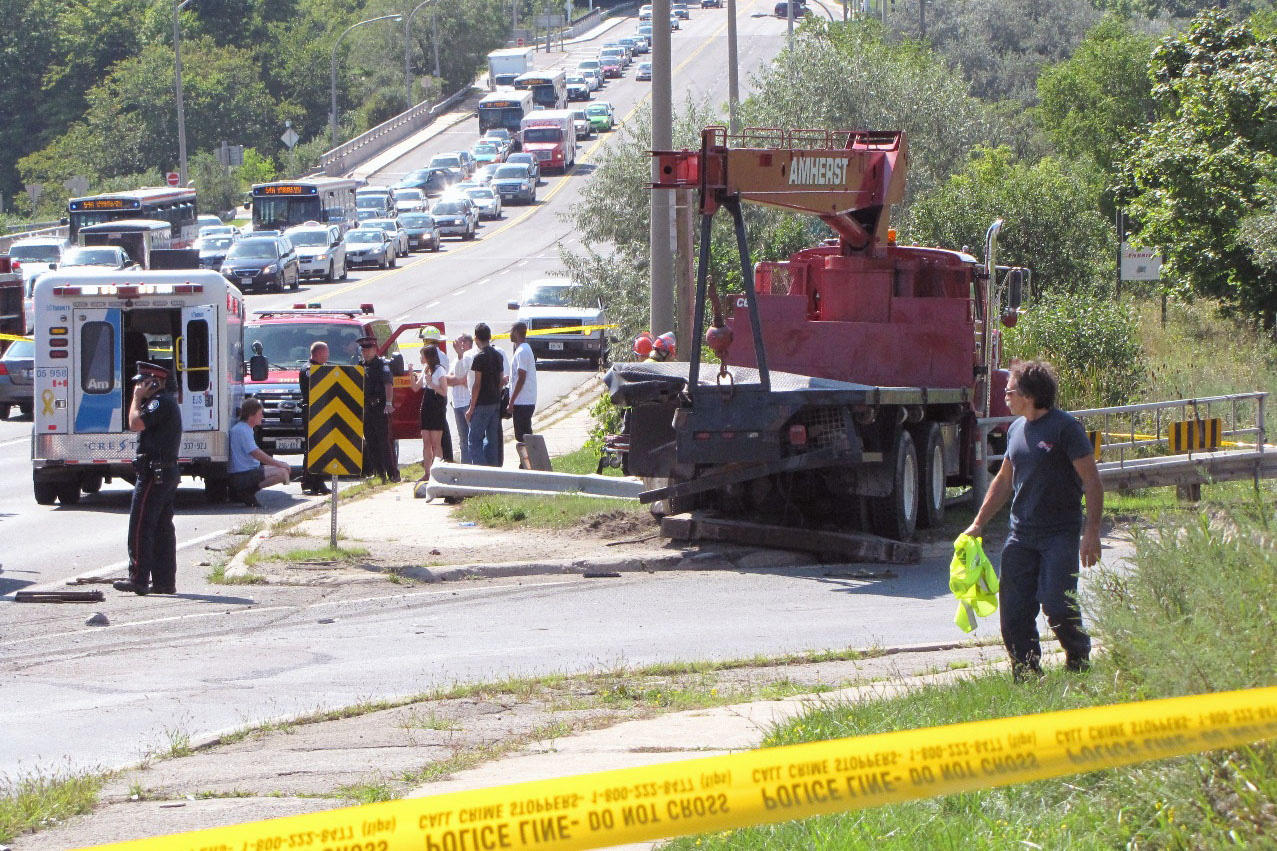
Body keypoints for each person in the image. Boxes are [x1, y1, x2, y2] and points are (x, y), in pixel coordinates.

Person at [963, 360, 1104, 680]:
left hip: (1059, 534)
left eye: (1010, 390)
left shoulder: (1065, 428)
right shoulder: (1015, 430)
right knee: (1013, 611)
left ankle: (1078, 656)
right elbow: (1003, 481)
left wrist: (1091, 532)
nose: (1006, 396)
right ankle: (1026, 670)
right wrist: (979, 522)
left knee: (1056, 603)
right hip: (1021, 535)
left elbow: (1092, 481)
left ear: (1029, 394)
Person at [114, 362, 182, 596]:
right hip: (163, 472)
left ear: (153, 382)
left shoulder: (158, 402)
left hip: (155, 473)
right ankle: (164, 582)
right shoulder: (165, 402)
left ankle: (138, 578)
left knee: (141, 525)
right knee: (162, 527)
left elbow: (135, 423)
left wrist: (135, 399)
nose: (137, 387)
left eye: (142, 383)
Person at [228, 397, 293, 506]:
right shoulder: (242, 430)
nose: (262, 417)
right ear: (251, 415)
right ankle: (247, 492)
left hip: (247, 471)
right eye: (260, 414)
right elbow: (256, 453)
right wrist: (280, 463)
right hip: (242, 475)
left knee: (284, 471)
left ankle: (247, 492)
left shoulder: (245, 428)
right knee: (282, 473)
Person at [359, 336, 398, 483]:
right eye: (363, 349)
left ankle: (393, 473)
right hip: (367, 408)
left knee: (384, 442)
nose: (365, 352)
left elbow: (388, 384)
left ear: (375, 350)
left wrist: (388, 403)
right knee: (371, 441)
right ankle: (379, 473)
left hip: (380, 407)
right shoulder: (360, 365)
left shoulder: (382, 365)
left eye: (368, 349)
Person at [466, 323, 504, 466]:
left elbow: (477, 384)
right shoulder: (498, 355)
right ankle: (492, 471)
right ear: (489, 337)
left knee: (474, 440)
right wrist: (497, 394)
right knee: (492, 439)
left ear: (476, 338)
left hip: (482, 403)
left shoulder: (479, 357)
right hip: (495, 402)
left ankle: (480, 472)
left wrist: (471, 408)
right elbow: (501, 381)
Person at [298, 340, 331, 495]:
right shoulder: (310, 369)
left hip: (319, 413)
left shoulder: (319, 368)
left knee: (317, 448)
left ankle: (312, 482)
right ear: (318, 353)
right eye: (326, 352)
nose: (328, 355)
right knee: (314, 448)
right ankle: (312, 481)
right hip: (312, 413)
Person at [412, 344, 449, 482]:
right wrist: (411, 374)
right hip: (426, 405)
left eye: (422, 355)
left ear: (429, 356)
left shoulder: (439, 370)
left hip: (436, 406)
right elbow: (415, 387)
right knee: (426, 442)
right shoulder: (425, 368)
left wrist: (432, 384)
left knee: (436, 443)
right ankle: (427, 473)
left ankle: (438, 473)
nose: (421, 358)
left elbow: (444, 391)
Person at [420, 326, 455, 463]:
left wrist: (432, 384)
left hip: (437, 396)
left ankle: (445, 458)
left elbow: (441, 380)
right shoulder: (438, 355)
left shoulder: (436, 356)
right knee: (439, 430)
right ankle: (445, 458)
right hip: (432, 395)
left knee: (440, 431)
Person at [507, 322, 538, 452]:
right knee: (522, 434)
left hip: (523, 401)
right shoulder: (522, 349)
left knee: (523, 435)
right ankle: (526, 462)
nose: (509, 334)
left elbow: (522, 377)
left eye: (511, 330)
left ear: (516, 332)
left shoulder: (522, 351)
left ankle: (529, 462)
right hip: (523, 400)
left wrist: (511, 401)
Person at [445, 333, 475, 463]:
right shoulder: (454, 361)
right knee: (463, 438)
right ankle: (465, 466)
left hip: (468, 402)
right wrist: (460, 379)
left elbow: (469, 381)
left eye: (462, 342)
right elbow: (447, 380)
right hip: (457, 403)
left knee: (473, 436)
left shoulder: (472, 358)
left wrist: (459, 379)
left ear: (469, 343)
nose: (459, 345)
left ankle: (476, 465)